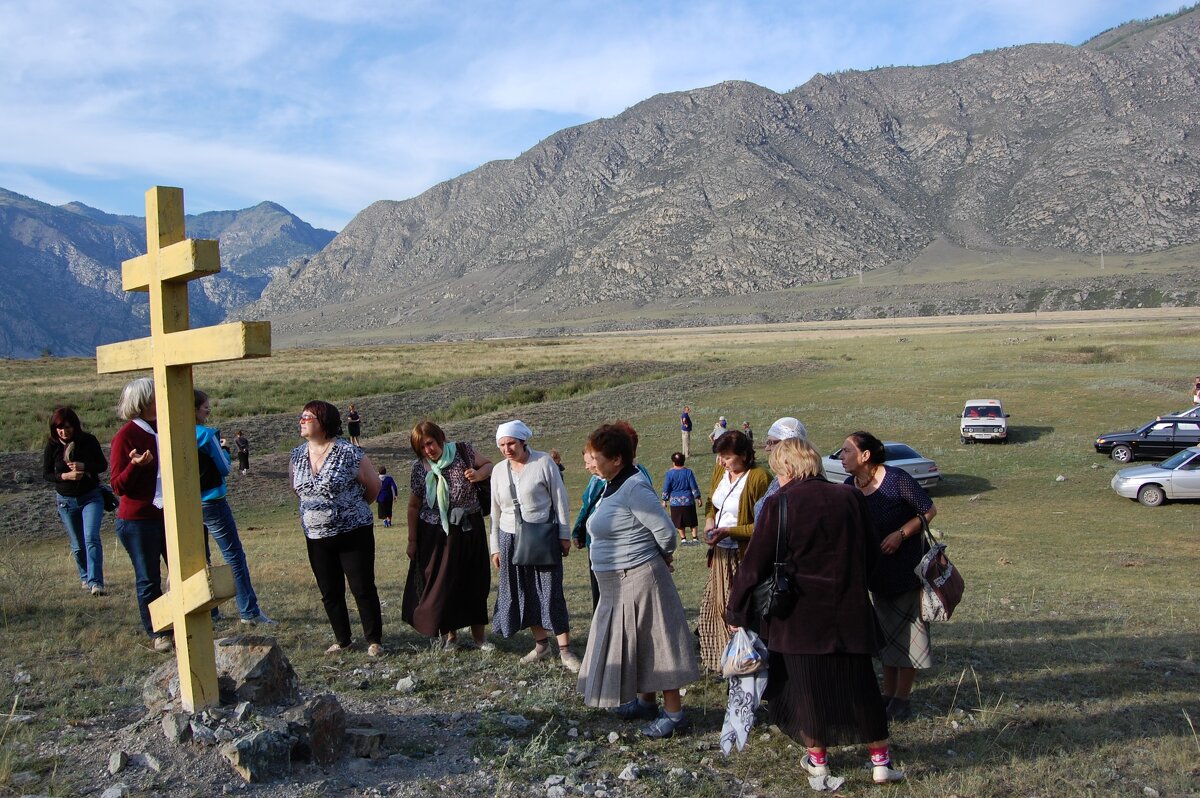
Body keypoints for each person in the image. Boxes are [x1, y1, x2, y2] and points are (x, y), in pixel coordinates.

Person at [726, 438, 905, 785]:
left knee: (806, 690)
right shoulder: (850, 496)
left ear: (790, 469)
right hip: (850, 610)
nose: (777, 478)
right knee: (862, 687)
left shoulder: (780, 503)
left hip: (798, 616)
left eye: (779, 471)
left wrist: (736, 612)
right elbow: (872, 553)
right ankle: (881, 763)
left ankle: (819, 763)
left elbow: (754, 565)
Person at [578, 424, 700, 738]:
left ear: (617, 459)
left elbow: (666, 532)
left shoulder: (634, 487)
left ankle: (674, 714)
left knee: (657, 644)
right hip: (617, 584)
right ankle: (646, 703)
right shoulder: (612, 485)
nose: (590, 463)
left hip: (639, 577)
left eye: (596, 457)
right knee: (639, 644)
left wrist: (662, 556)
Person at [839, 430, 937, 723]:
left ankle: (902, 699)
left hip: (907, 570)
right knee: (887, 637)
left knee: (909, 635)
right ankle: (889, 694)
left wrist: (900, 534)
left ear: (865, 456)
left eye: (846, 451)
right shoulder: (850, 486)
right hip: (876, 574)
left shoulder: (896, 480)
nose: (841, 456)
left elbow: (928, 510)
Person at [290, 401, 384, 656]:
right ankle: (343, 640)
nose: (302, 420)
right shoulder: (297, 455)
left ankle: (374, 640)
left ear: (324, 421)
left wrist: (350, 510)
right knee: (329, 591)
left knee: (362, 587)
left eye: (308, 417)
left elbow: (374, 487)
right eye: (302, 416)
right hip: (316, 536)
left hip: (353, 533)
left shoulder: (349, 452)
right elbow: (297, 489)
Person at [489, 420, 579, 672]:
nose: (507, 449)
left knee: (550, 590)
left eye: (511, 443)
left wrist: (563, 534)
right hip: (509, 538)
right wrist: (495, 547)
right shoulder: (497, 471)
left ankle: (565, 650)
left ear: (523, 441)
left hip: (542, 535)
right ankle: (541, 644)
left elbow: (560, 499)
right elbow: (495, 513)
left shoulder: (543, 463)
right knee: (522, 591)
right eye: (502, 445)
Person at [402, 421, 495, 650]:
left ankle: (479, 638)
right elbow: (414, 506)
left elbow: (490, 465)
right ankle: (450, 636)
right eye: (422, 447)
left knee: (475, 581)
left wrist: (478, 474)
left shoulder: (463, 451)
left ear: (439, 437)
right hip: (435, 534)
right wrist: (412, 540)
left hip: (469, 528)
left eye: (430, 443)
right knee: (443, 584)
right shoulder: (419, 468)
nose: (428, 450)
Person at [194, 390, 274, 625]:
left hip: (187, 504)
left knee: (199, 559)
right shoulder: (206, 436)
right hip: (212, 502)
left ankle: (209, 612)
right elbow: (225, 467)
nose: (208, 410)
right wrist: (226, 451)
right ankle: (248, 612)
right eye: (205, 407)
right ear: (195, 409)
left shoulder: (170, 434)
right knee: (233, 556)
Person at [698, 430, 770, 673]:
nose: (722, 462)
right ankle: (721, 660)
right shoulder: (721, 471)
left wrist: (729, 531)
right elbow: (711, 502)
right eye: (720, 457)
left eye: (727, 457)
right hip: (720, 553)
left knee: (741, 609)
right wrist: (709, 521)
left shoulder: (759, 478)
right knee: (717, 606)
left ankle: (747, 661)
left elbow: (762, 525)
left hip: (744, 554)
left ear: (744, 455)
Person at [109, 377, 172, 652]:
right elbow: (117, 486)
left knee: (185, 570)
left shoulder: (166, 427)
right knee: (149, 578)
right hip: (138, 520)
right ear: (143, 403)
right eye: (156, 396)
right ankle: (158, 632)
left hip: (169, 515)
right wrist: (135, 466)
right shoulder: (126, 436)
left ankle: (182, 620)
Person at [43, 407, 108, 595]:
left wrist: (85, 466)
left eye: (68, 427)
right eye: (59, 428)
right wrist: (65, 476)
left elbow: (102, 465)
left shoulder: (88, 441)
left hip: (91, 497)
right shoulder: (52, 446)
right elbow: (46, 474)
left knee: (91, 538)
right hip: (65, 501)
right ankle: (85, 577)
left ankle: (97, 583)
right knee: (78, 544)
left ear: (75, 426)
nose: (64, 431)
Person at [754, 417, 809, 517]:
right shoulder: (779, 478)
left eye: (770, 443)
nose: (767, 448)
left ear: (788, 446)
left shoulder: (801, 483)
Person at [661, 452, 701, 544]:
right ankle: (695, 538)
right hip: (688, 501)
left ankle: (683, 539)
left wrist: (664, 500)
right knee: (692, 519)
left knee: (679, 521)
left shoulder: (669, 473)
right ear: (683, 461)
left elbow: (666, 487)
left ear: (673, 462)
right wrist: (698, 497)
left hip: (675, 502)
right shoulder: (688, 472)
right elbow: (693, 486)